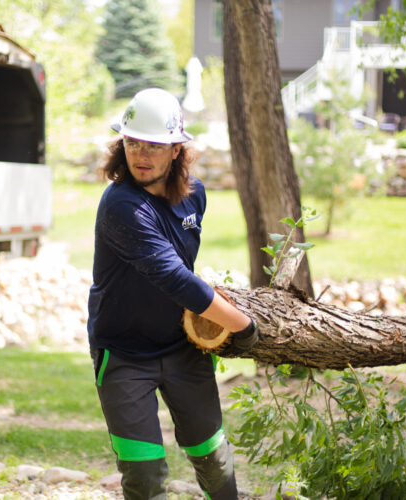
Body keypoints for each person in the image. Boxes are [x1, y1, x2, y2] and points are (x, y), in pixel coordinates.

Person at [87, 87, 259, 500]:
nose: (141, 154)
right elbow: (175, 278)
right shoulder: (121, 206)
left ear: (177, 150)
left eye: (153, 145)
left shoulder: (194, 196)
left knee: (215, 461)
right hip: (124, 355)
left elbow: (187, 270)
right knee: (145, 478)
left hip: (182, 347)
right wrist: (245, 327)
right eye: (132, 142)